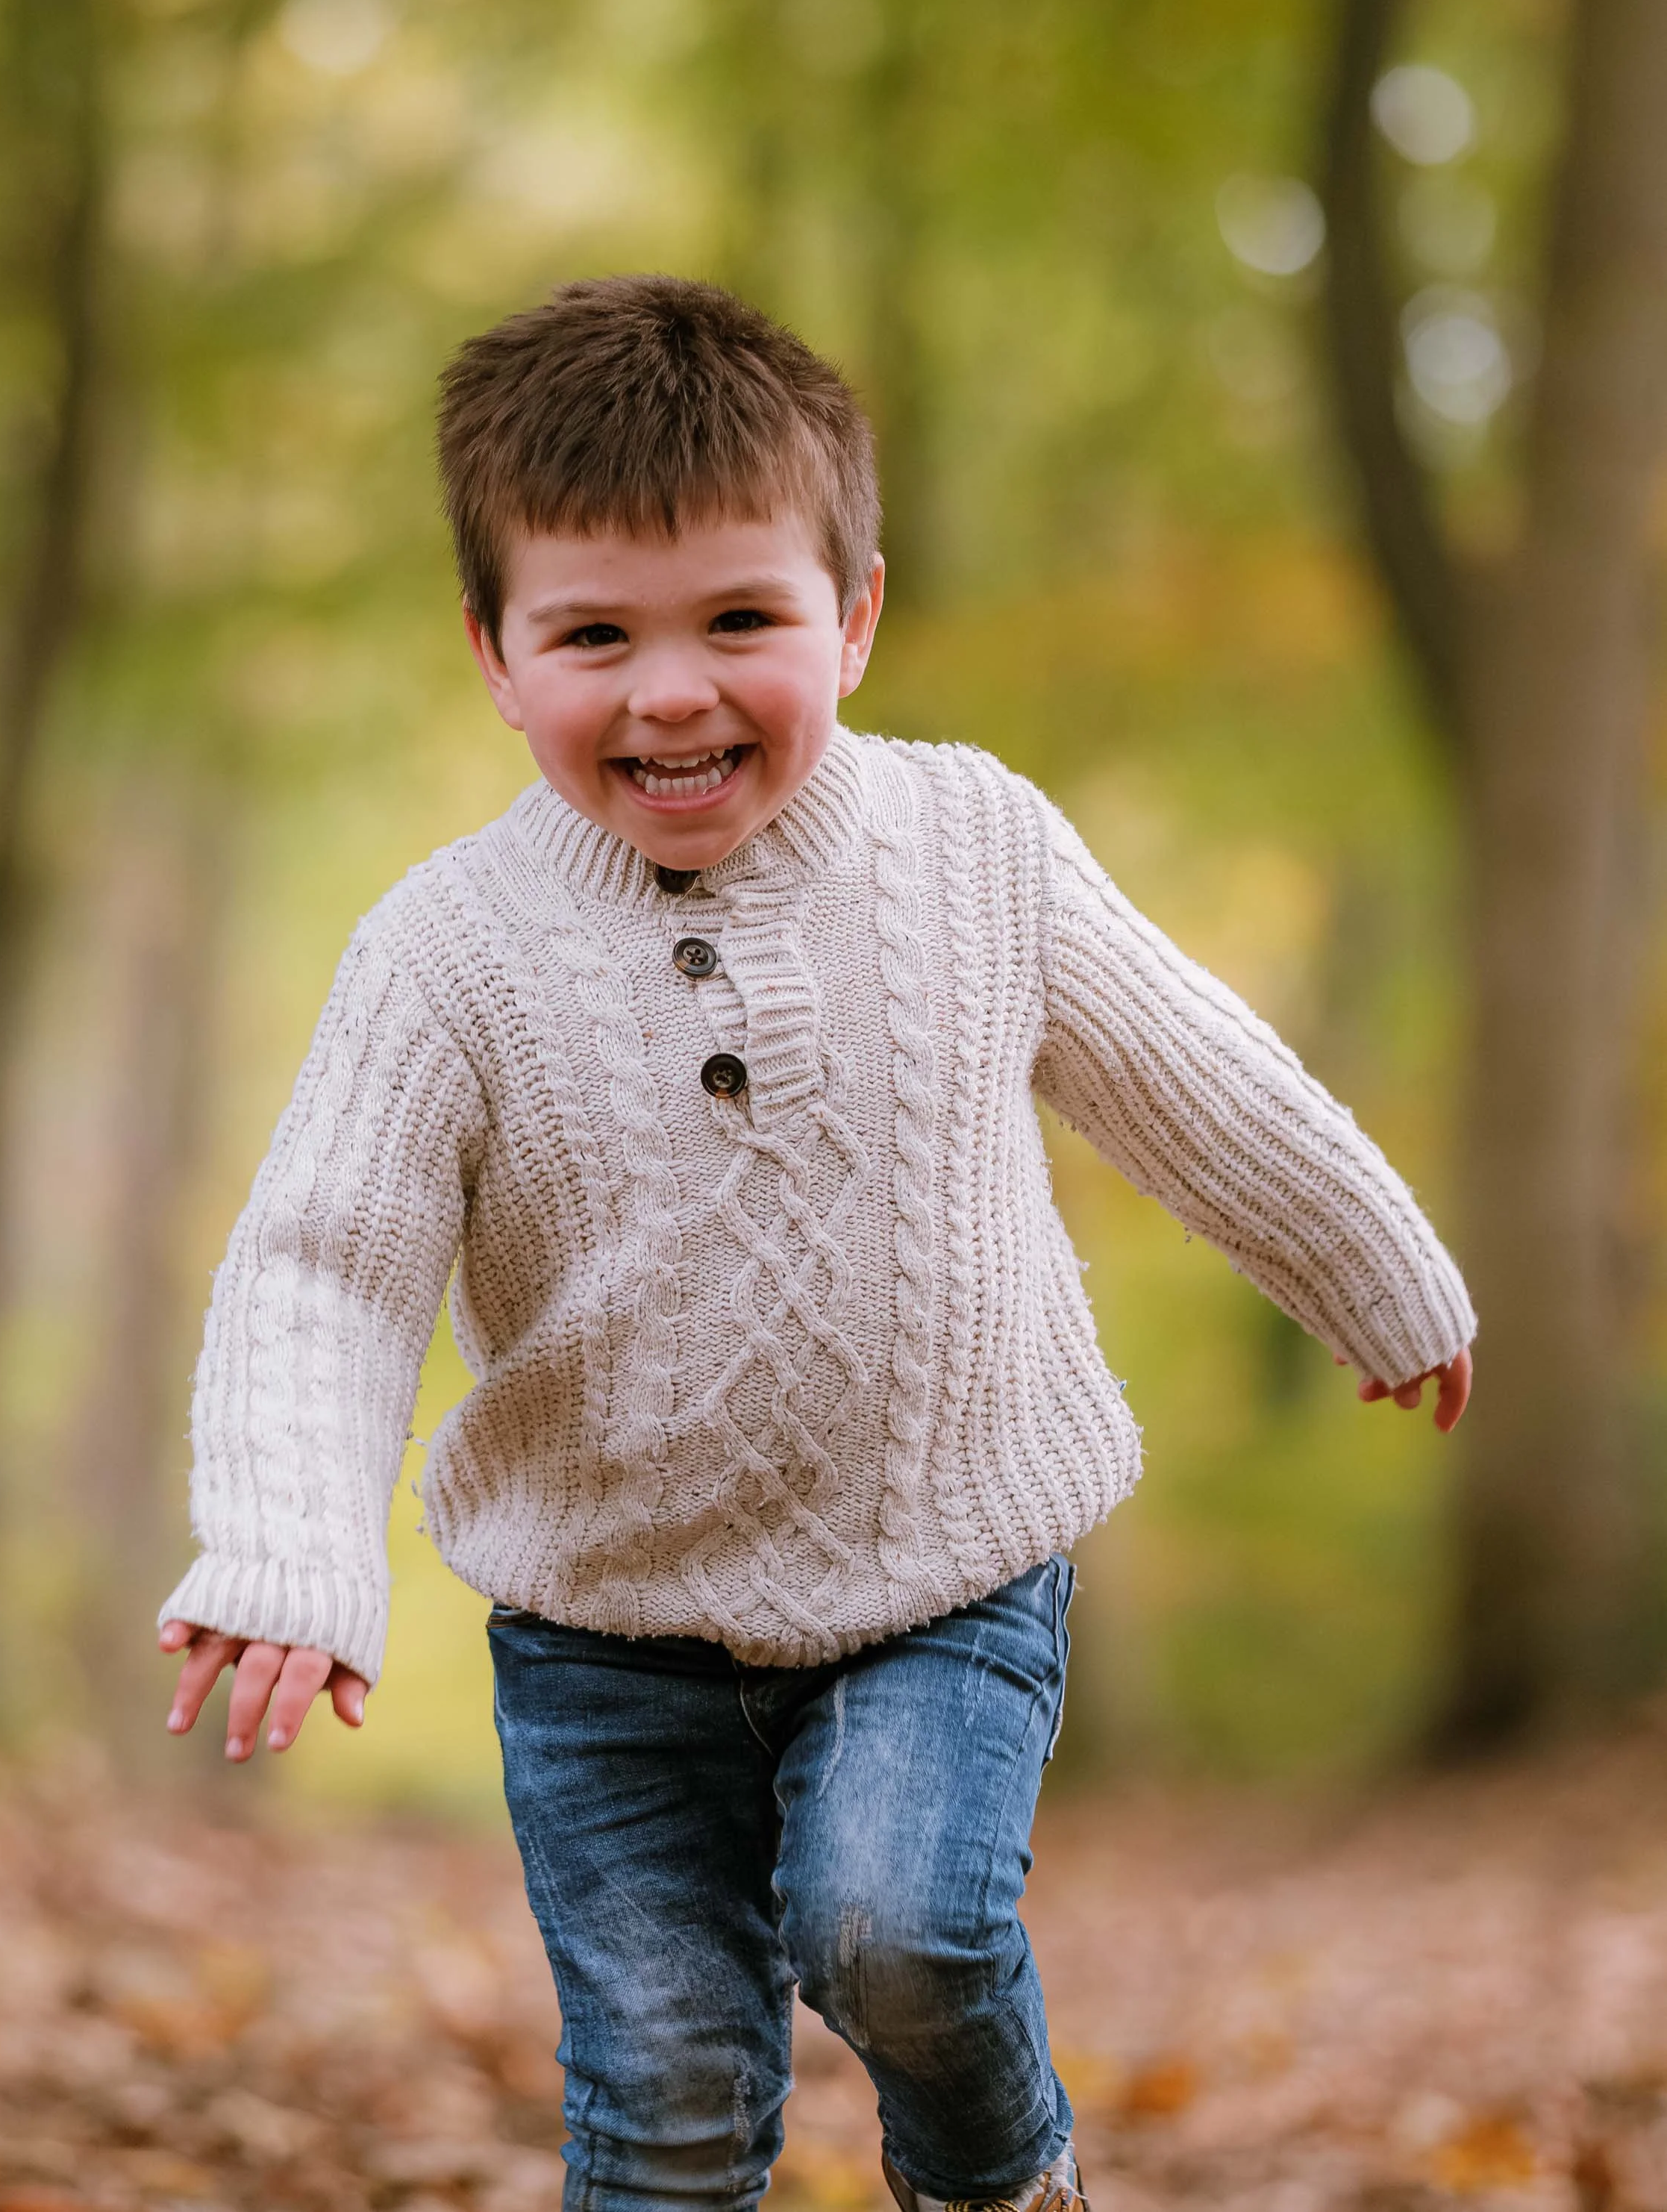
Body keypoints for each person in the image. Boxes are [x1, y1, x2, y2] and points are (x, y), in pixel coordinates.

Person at [157, 275, 1475, 2212]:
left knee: (898, 1930)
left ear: (850, 617)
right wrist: (286, 1543)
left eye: (739, 620)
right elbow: (325, 1260)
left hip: (943, 1574)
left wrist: (1368, 1262)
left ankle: (996, 2173)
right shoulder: (444, 951)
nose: (669, 689)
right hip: (601, 1637)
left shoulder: (976, 849)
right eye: (593, 631)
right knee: (669, 2087)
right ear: (494, 655)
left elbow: (1190, 1075)